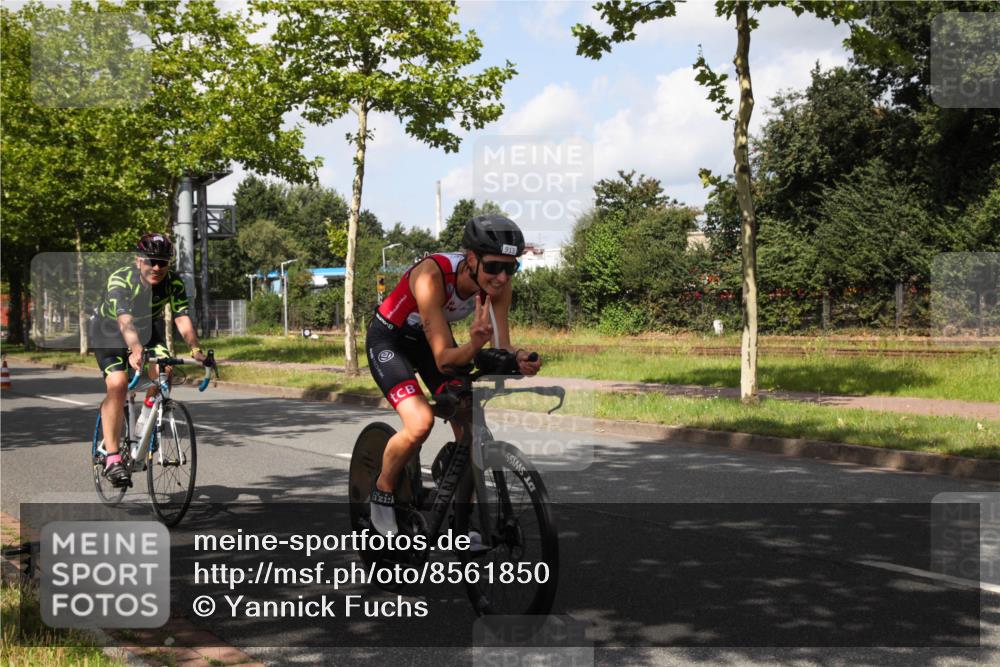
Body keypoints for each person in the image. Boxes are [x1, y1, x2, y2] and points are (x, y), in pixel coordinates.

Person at [365, 214, 542, 535]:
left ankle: (464, 523)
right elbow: (445, 361)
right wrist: (475, 342)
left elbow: (500, 347)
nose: (501, 277)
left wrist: (516, 359)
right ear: (471, 259)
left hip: (429, 341)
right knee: (419, 423)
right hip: (389, 339)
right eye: (493, 267)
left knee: (472, 425)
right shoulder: (431, 276)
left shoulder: (498, 285)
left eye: (510, 267)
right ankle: (382, 490)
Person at [92, 233, 206, 487]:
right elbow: (124, 320)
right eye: (151, 261)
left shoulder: (173, 283)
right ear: (138, 261)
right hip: (109, 332)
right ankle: (112, 459)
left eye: (163, 263)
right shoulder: (121, 280)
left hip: (146, 329)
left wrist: (196, 349)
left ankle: (144, 422)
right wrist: (134, 349)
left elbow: (181, 317)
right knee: (118, 384)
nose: (157, 268)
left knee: (165, 369)